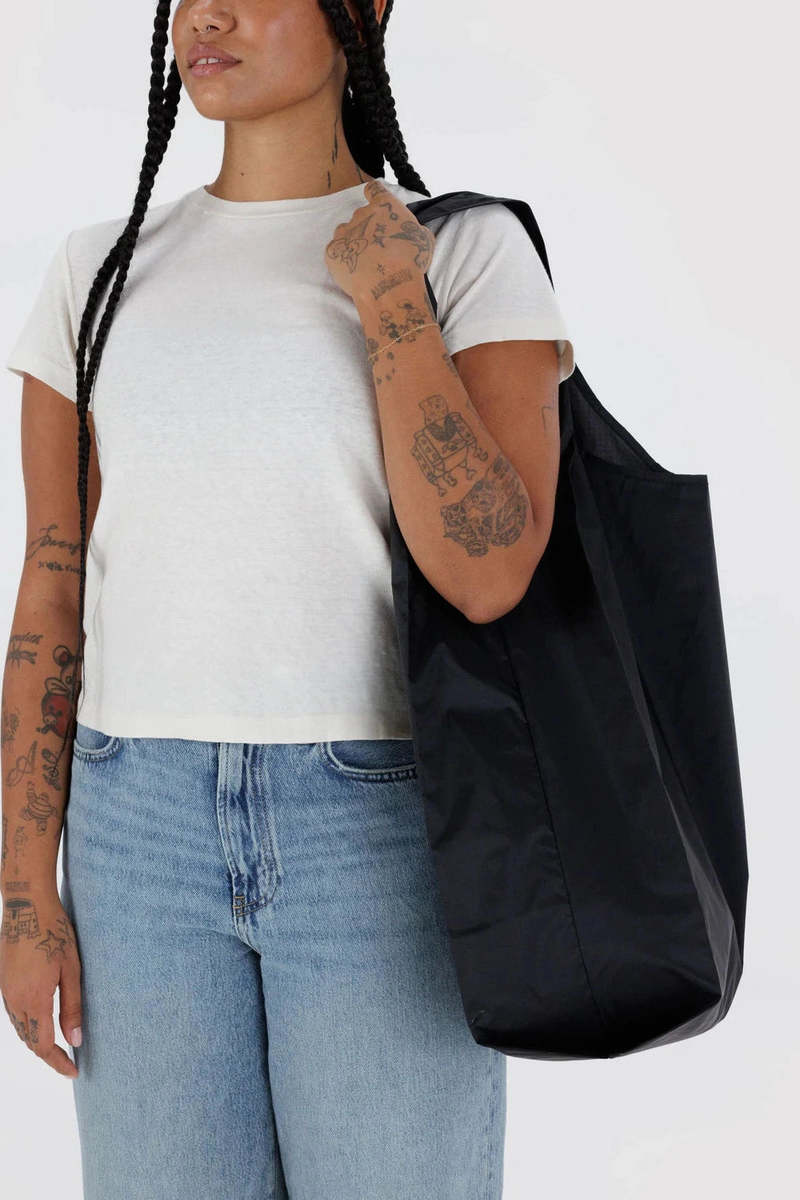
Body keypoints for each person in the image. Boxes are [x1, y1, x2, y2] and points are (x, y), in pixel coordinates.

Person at [0, 1, 574, 1197]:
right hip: (133, 829)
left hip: (376, 826)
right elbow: (52, 591)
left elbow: (488, 572)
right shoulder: (96, 275)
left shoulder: (462, 254)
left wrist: (391, 304)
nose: (203, 14)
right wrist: (21, 893)